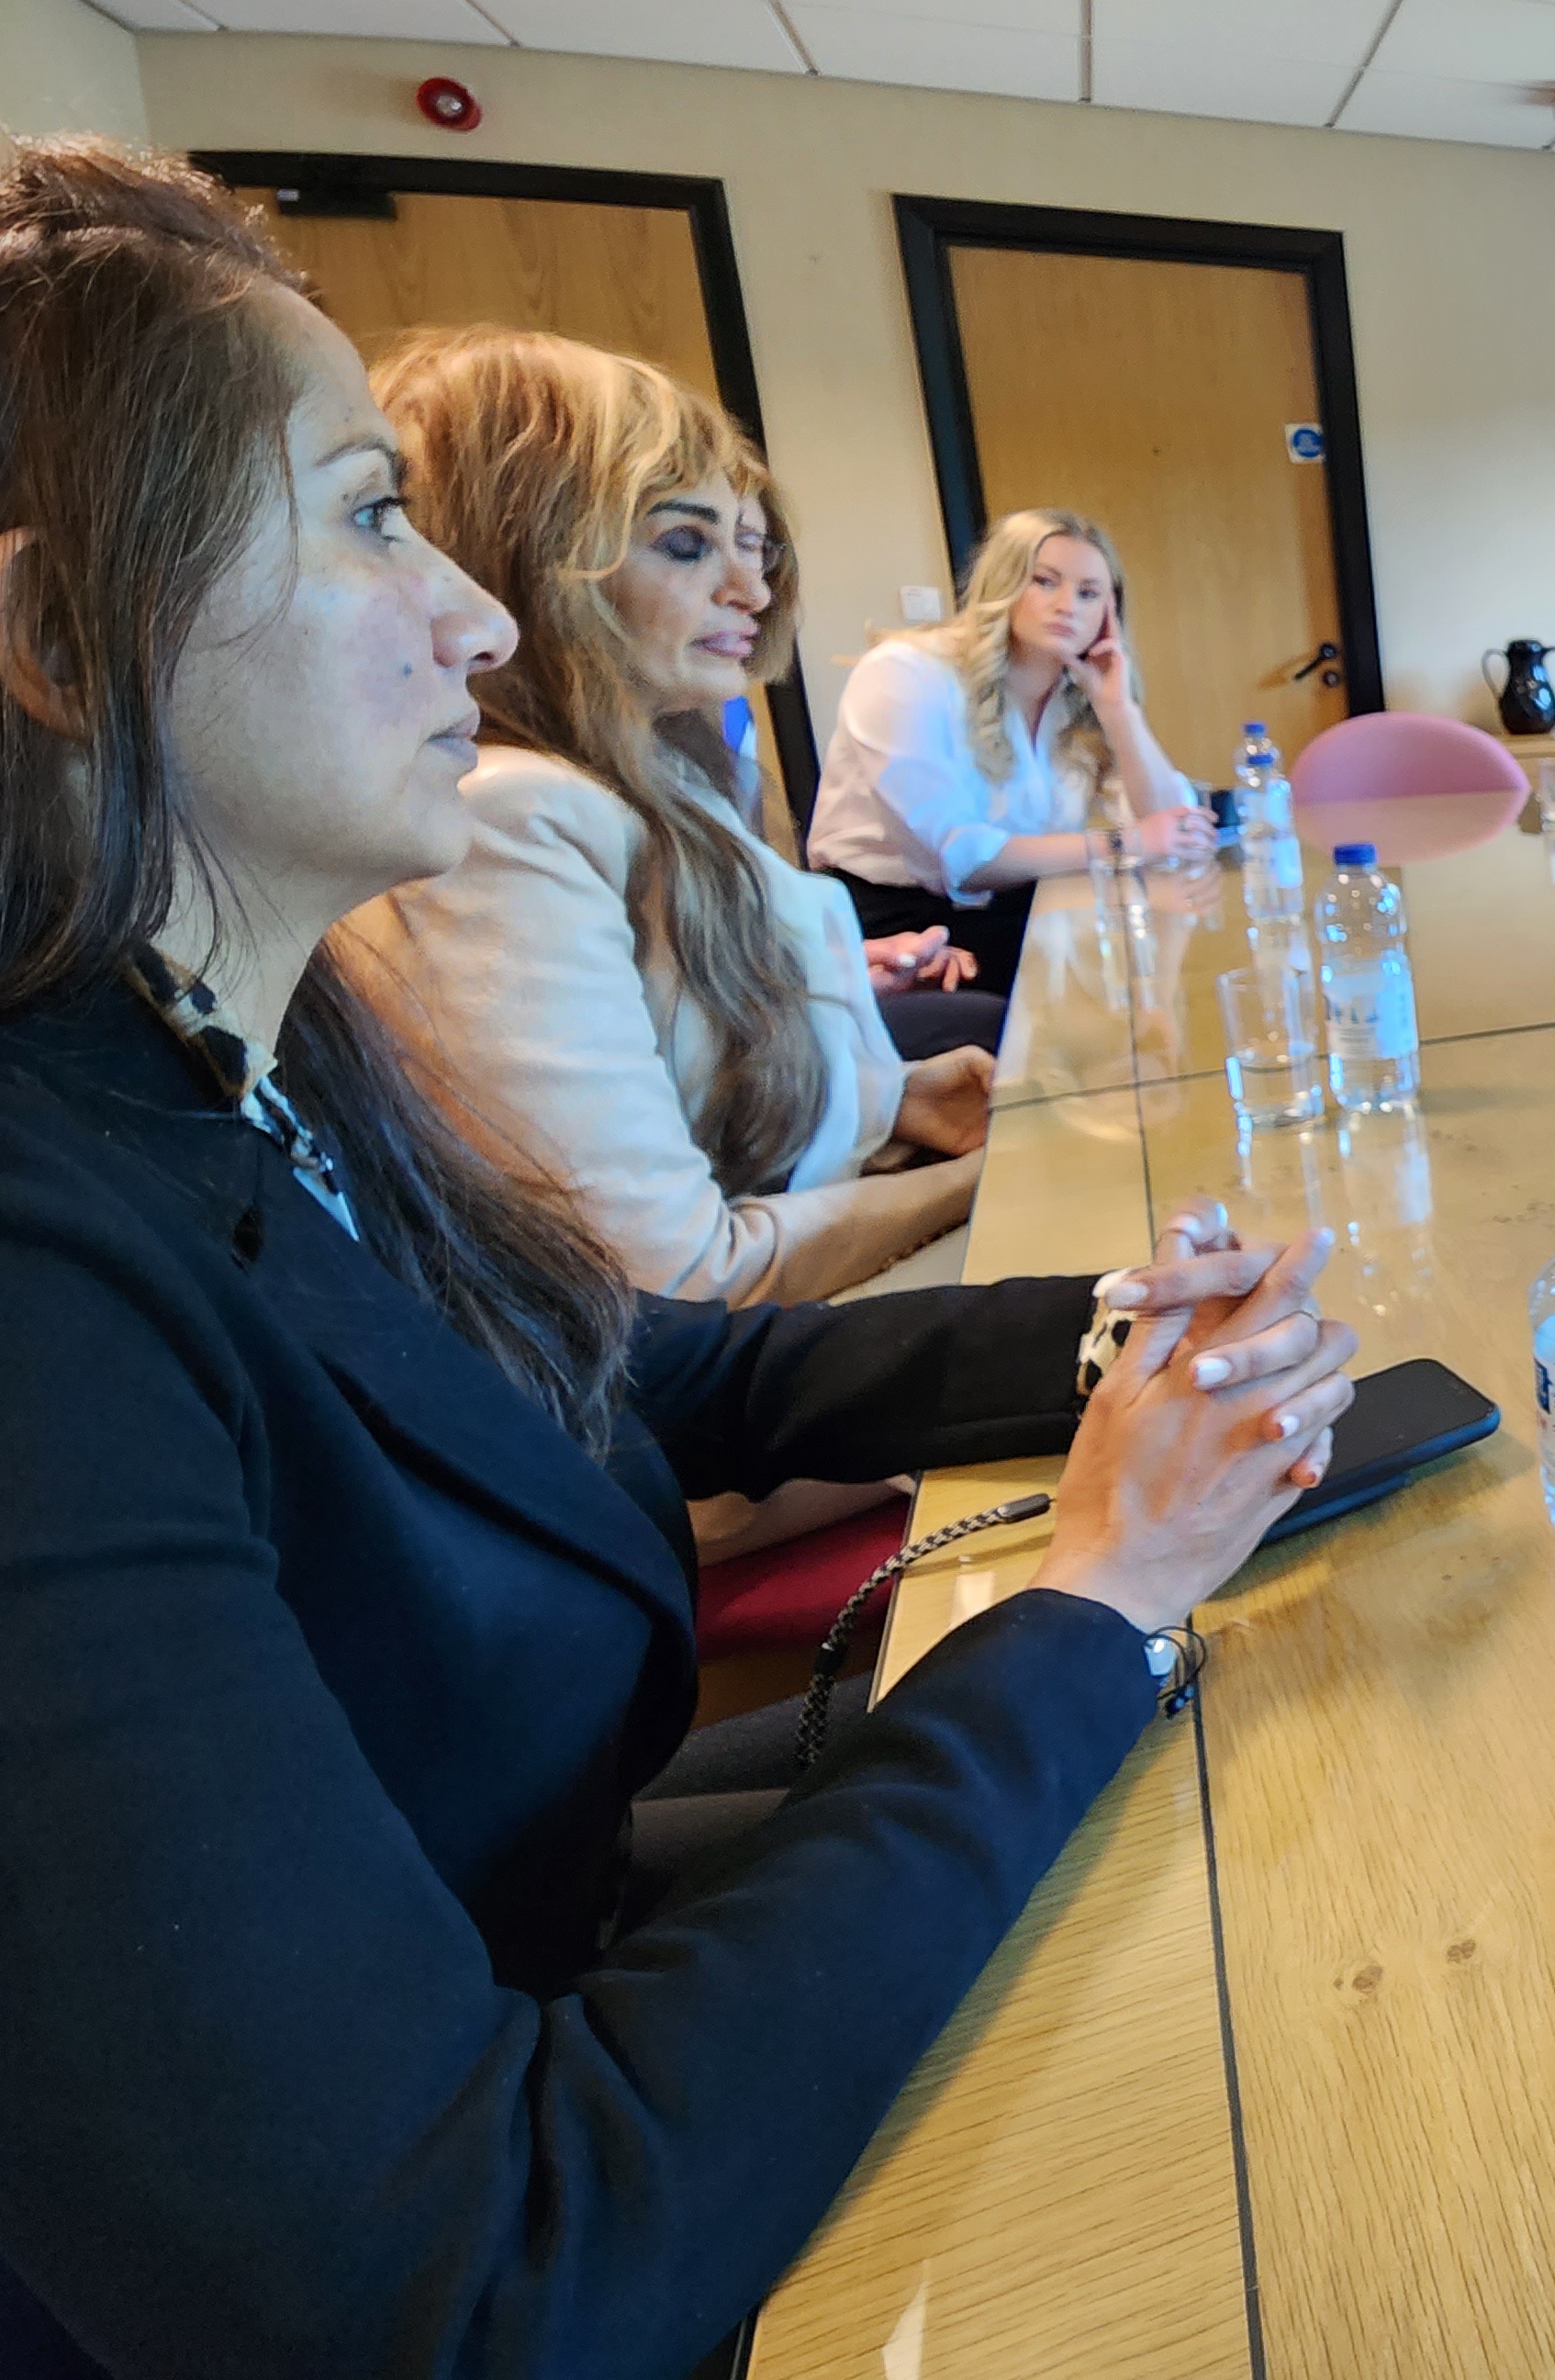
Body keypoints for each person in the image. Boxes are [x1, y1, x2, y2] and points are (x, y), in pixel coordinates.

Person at [0, 137, 1360, 2376]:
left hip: (563, 1922)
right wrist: (1094, 1599)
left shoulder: (230, 1043)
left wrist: (1111, 1332)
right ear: (64, 639)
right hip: (543, 2169)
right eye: (368, 515)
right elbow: (478, 2284)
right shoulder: (43, 1299)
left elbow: (630, 1358)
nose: (471, 616)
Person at [343, 329, 992, 1312]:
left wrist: (897, 1101)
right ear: (517, 559)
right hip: (722, 1361)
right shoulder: (503, 821)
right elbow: (670, 1279)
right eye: (685, 545)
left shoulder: (661, 774)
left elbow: (696, 1079)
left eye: (752, 546)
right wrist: (980, 1182)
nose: (753, 591)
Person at [805, 506, 1214, 1002]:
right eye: (1045, 582)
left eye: (1089, 593)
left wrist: (1119, 712)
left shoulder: (1077, 696)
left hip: (1020, 905)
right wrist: (1124, 844)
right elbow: (958, 857)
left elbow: (1176, 829)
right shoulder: (905, 674)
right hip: (897, 926)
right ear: (1003, 583)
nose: (1067, 605)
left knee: (1164, 973)